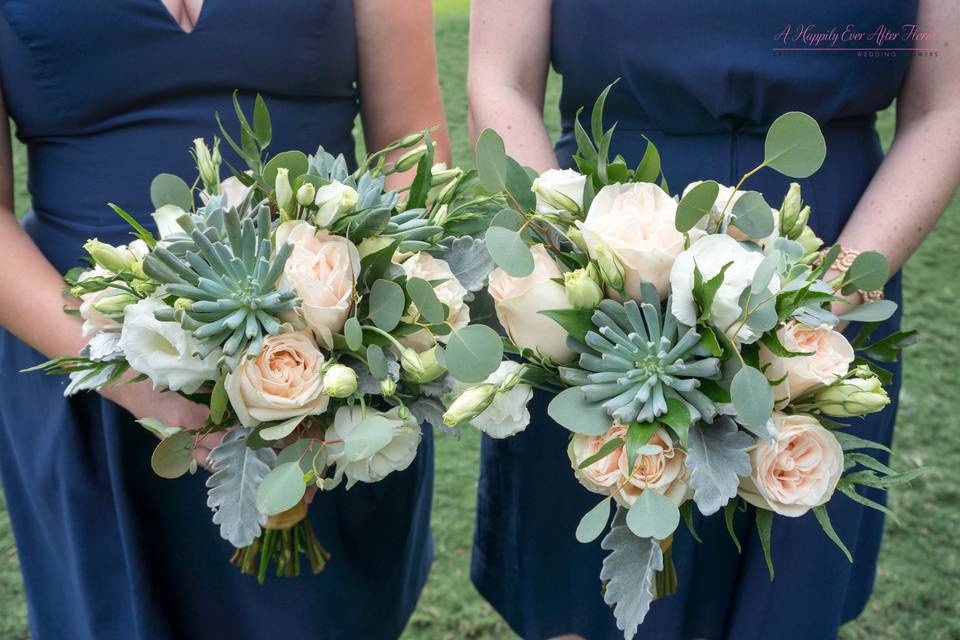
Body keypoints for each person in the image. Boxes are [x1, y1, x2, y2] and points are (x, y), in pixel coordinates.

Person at [467, 1, 960, 638]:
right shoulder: (584, 272)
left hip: (830, 256)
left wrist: (816, 304)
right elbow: (499, 79)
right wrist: (578, 268)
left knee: (780, 599)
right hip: (598, 256)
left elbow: (943, 107)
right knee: (590, 604)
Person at [0, 1, 449, 638]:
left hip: (329, 372)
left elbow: (411, 153)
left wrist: (337, 357)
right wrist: (124, 370)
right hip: (84, 374)